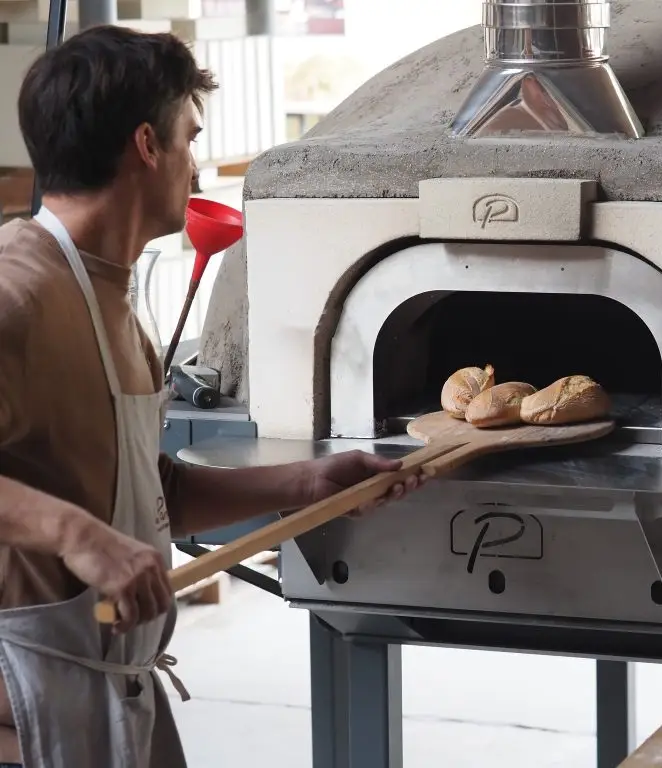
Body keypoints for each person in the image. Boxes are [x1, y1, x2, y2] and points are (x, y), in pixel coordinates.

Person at [0, 25, 424, 768]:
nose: (196, 166)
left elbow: (144, 494)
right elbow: (93, 525)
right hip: (28, 708)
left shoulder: (115, 297)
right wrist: (81, 539)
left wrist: (304, 485)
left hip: (115, 689)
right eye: (189, 140)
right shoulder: (18, 293)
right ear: (146, 145)